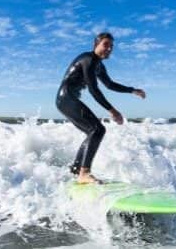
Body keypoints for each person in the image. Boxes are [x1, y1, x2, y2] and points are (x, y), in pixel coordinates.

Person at [56, 32, 146, 184]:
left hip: (66, 99)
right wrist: (112, 110)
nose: (109, 49)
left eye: (111, 46)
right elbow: (93, 89)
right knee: (98, 130)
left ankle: (76, 170)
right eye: (105, 45)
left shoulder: (98, 65)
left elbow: (110, 85)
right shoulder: (89, 60)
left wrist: (132, 90)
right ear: (95, 44)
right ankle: (84, 173)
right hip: (66, 98)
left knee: (92, 132)